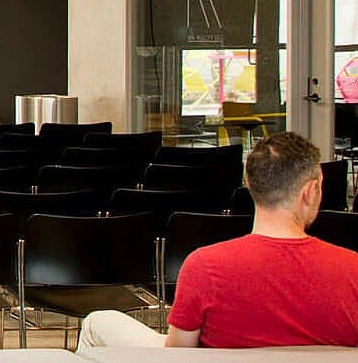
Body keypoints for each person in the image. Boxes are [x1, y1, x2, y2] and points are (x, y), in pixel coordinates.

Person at [79, 131, 358, 348]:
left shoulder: (205, 266)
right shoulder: (352, 268)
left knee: (97, 322)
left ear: (249, 184)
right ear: (310, 192)